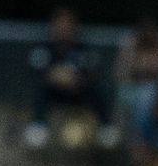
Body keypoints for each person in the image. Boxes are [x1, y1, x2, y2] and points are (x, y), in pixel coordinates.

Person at [26, 8, 106, 147]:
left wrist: (75, 80)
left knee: (99, 89)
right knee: (40, 90)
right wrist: (59, 77)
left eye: (68, 25)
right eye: (60, 25)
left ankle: (106, 128)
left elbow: (92, 73)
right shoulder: (43, 48)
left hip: (77, 92)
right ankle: (38, 127)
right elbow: (39, 72)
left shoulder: (83, 49)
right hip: (54, 92)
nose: (64, 29)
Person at [115, 19, 158, 144]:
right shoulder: (131, 46)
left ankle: (143, 137)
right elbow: (121, 74)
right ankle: (139, 137)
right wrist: (141, 71)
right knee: (143, 97)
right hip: (133, 89)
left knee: (149, 94)